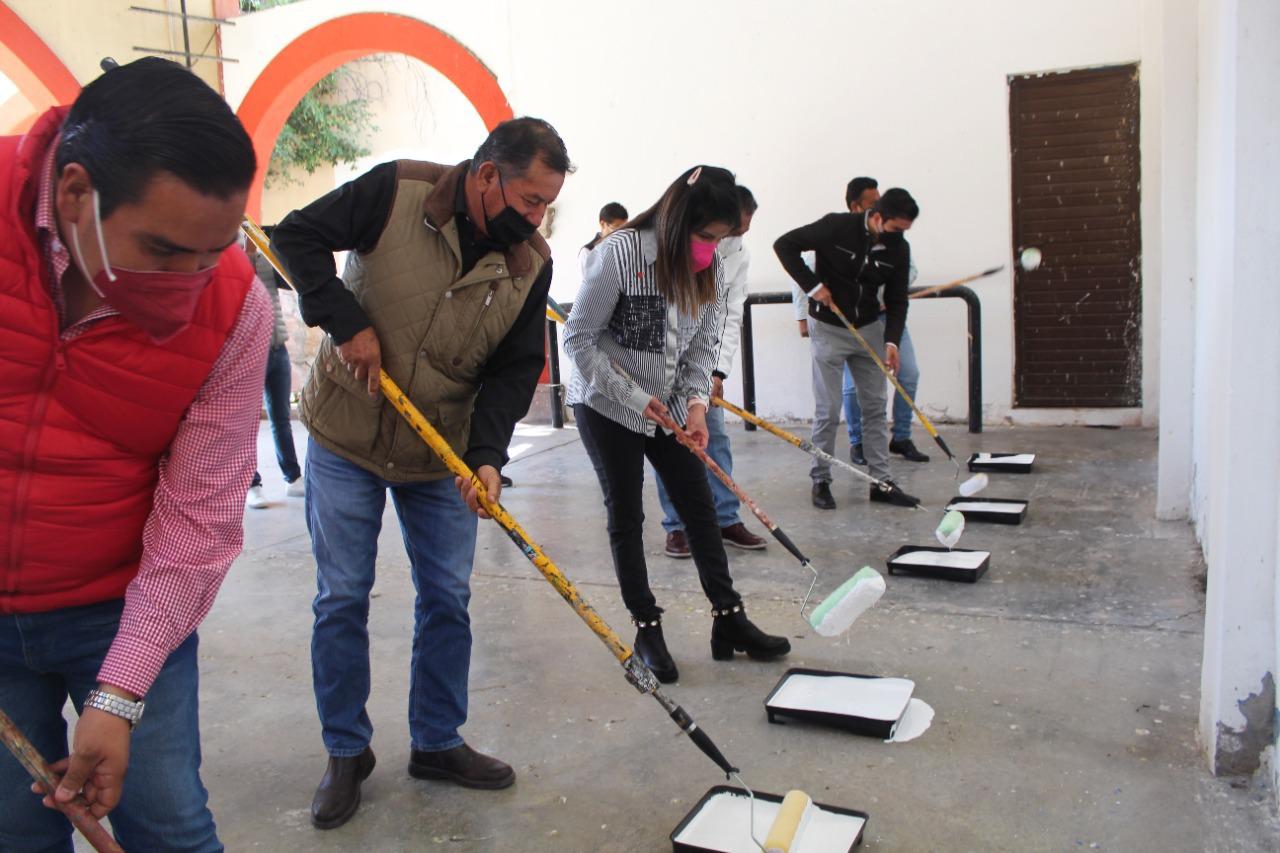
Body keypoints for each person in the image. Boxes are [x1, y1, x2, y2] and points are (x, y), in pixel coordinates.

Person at [0, 57, 268, 852]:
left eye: (210, 252)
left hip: (122, 609)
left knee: (169, 825)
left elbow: (200, 518)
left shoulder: (234, 308)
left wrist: (118, 697)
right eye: (162, 250)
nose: (188, 284)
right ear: (77, 194)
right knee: (14, 831)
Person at [271, 117, 570, 830]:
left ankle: (437, 739)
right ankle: (347, 749)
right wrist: (345, 321)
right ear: (488, 174)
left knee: (448, 596)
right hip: (348, 433)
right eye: (530, 200)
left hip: (441, 447)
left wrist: (488, 458)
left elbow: (509, 370)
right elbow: (294, 235)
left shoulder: (532, 260)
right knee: (342, 594)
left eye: (547, 205)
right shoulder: (399, 189)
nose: (536, 219)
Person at [564, 165, 790, 686]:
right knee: (626, 514)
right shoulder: (620, 255)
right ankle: (646, 627)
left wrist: (694, 405)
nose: (712, 248)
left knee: (700, 507)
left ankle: (729, 619)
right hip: (606, 403)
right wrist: (633, 397)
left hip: (668, 405)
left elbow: (702, 345)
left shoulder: (708, 265)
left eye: (722, 239)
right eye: (707, 236)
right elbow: (579, 340)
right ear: (677, 220)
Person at [775, 188, 922, 510]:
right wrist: (813, 287)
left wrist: (892, 341)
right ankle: (821, 479)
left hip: (869, 329)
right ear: (879, 217)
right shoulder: (836, 227)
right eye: (897, 228)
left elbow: (898, 300)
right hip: (828, 328)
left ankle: (882, 482)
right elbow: (784, 245)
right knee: (828, 409)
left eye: (905, 231)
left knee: (874, 406)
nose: (900, 237)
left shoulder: (899, 249)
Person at [655, 185, 768, 558]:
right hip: (665, 355)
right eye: (733, 229)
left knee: (713, 438)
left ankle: (725, 518)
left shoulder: (738, 255)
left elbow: (730, 314)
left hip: (706, 356)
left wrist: (717, 372)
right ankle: (677, 526)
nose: (736, 236)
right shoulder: (676, 243)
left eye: (742, 231)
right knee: (670, 442)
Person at [244, 231, 305, 509]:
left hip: (277, 347)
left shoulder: (264, 249)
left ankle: (292, 478)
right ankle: (252, 484)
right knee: (247, 424)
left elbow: (290, 278)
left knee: (281, 418)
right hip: (248, 351)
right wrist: (246, 254)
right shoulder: (230, 255)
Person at [577, 201, 628, 276]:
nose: (620, 233)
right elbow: (586, 284)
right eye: (616, 228)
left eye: (624, 228)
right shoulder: (587, 252)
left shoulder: (626, 245)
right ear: (602, 224)